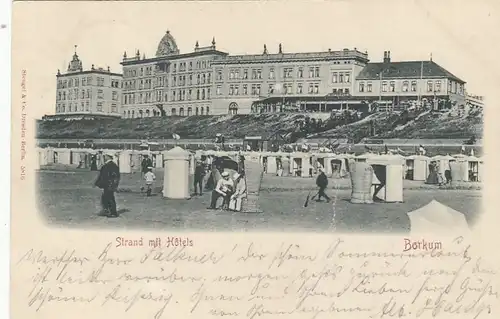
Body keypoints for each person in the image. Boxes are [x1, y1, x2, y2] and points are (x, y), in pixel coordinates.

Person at [94, 153, 120, 217]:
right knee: (106, 198)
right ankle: (108, 211)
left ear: (108, 157)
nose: (104, 157)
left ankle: (112, 212)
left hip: (108, 184)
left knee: (109, 198)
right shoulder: (112, 165)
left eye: (105, 156)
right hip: (109, 184)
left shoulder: (109, 165)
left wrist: (99, 183)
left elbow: (105, 176)